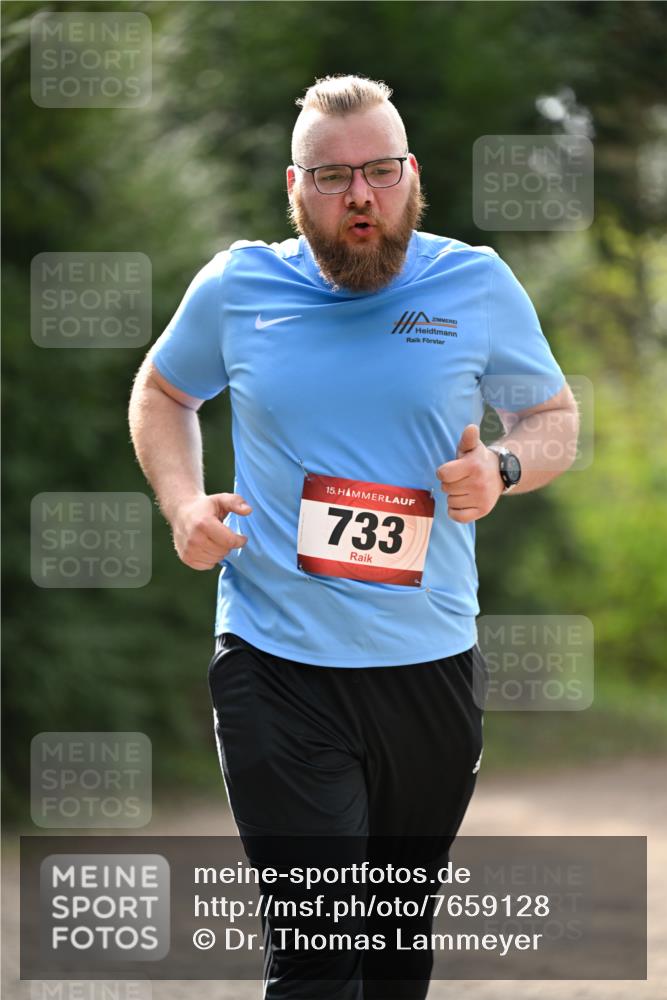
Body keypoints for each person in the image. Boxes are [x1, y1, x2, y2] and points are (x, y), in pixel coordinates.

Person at [129, 74, 578, 999]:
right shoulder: (238, 284)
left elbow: (553, 417)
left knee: (391, 949)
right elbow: (163, 391)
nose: (359, 195)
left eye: (379, 171)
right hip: (274, 662)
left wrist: (499, 468)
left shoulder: (475, 284)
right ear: (294, 192)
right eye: (332, 178)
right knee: (322, 949)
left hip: (429, 663)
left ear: (412, 176)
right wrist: (183, 505)